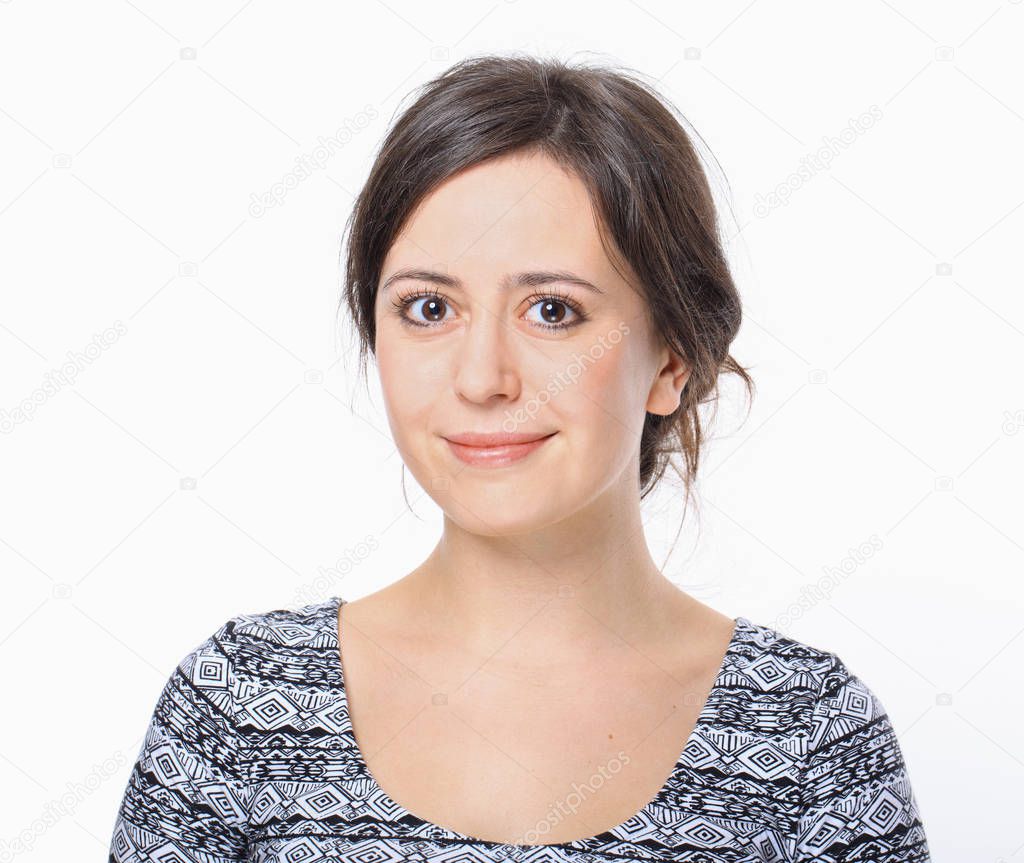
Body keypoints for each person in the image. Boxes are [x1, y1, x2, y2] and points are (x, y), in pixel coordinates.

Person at [108, 53, 932, 861]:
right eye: (428, 308)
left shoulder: (810, 741)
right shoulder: (239, 709)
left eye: (552, 310)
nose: (481, 378)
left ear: (673, 359)